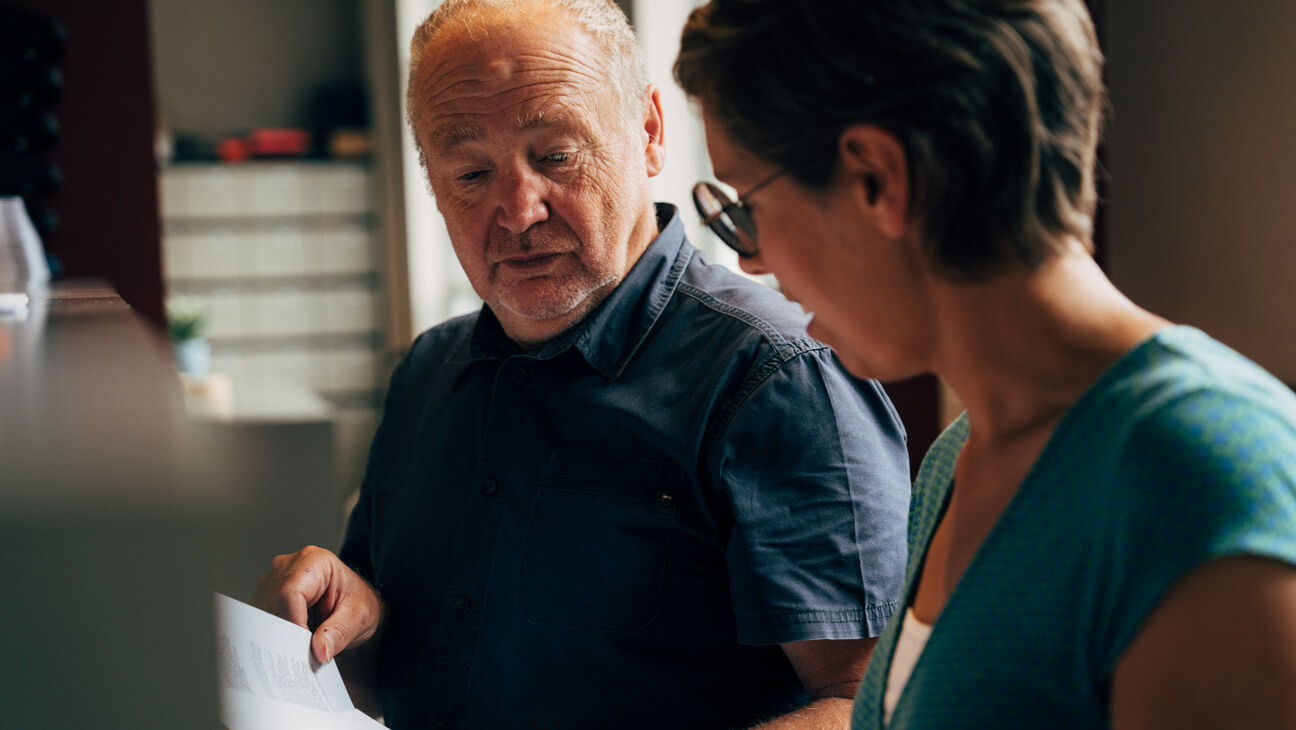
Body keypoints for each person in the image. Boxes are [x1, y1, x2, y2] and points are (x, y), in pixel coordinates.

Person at [255, 1, 913, 728]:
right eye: (471, 173)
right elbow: (402, 673)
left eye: (556, 157)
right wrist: (350, 616)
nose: (518, 209)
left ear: (651, 132)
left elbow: (870, 707)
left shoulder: (776, 376)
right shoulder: (429, 370)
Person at [675, 1, 1296, 728]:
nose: (748, 259)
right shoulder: (955, 460)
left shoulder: (1199, 475)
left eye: (745, 207)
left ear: (878, 179)